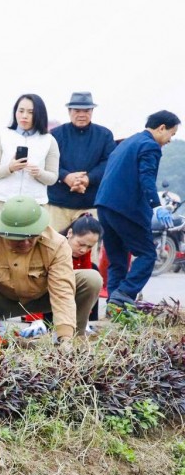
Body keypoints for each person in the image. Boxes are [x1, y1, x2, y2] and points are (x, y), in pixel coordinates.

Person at [0, 196, 101, 346]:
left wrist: (64, 337)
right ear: (2, 233)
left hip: (45, 297)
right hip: (3, 300)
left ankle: (73, 337)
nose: (26, 243)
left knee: (91, 279)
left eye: (31, 236)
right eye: (17, 238)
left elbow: (63, 290)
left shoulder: (56, 244)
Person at [96, 110, 181, 306]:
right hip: (126, 209)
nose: (169, 140)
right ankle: (124, 294)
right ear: (161, 128)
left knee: (117, 260)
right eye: (171, 134)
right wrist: (157, 205)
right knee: (147, 255)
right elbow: (147, 178)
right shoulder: (150, 146)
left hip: (105, 206)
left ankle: (114, 305)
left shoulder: (127, 142)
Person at [21, 213, 104, 333]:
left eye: (89, 247)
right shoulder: (51, 247)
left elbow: (87, 287)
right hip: (46, 299)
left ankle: (81, 323)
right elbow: (34, 282)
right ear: (70, 233)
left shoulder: (83, 253)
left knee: (93, 272)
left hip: (67, 300)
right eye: (80, 244)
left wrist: (83, 317)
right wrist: (36, 319)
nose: (83, 250)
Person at [0, 94, 60, 222]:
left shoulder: (49, 141)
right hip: (2, 202)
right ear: (15, 112)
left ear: (39, 114)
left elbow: (52, 178)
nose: (24, 116)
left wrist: (39, 173)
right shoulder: (2, 137)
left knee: (34, 241)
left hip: (35, 204)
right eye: (21, 111)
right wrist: (9, 168)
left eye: (30, 112)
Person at [47, 92, 116, 234]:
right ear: (69, 111)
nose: (82, 115)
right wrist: (66, 177)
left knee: (88, 250)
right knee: (55, 247)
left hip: (90, 204)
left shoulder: (104, 135)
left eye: (86, 111)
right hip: (58, 204)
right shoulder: (55, 134)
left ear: (92, 111)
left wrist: (87, 179)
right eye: (77, 110)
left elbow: (109, 163)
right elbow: (48, 162)